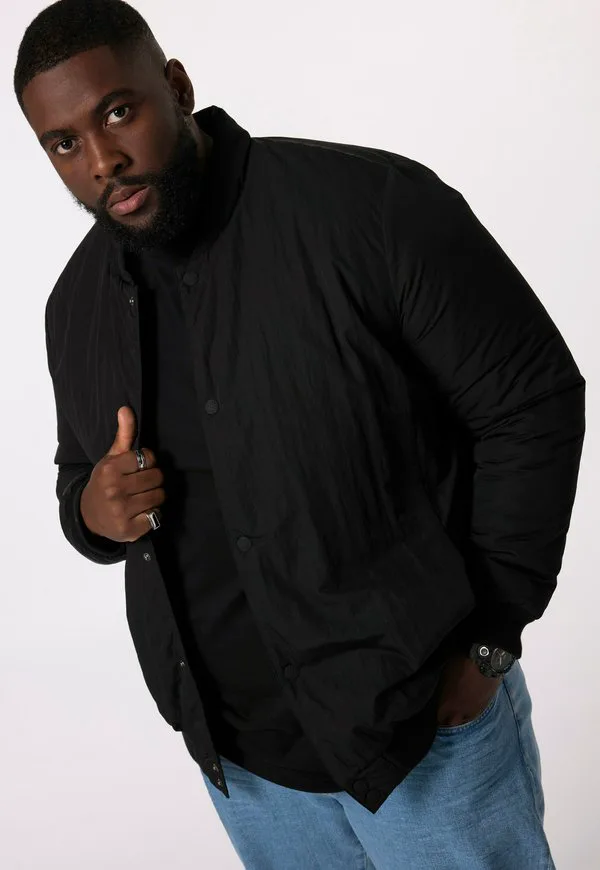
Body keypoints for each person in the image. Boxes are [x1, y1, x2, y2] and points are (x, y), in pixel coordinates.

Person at [15, 1, 585, 867]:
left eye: (118, 112)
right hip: (246, 772)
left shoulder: (367, 209)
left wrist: (493, 637)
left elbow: (529, 402)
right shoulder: (76, 306)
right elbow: (76, 480)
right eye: (63, 144)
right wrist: (93, 511)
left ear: (176, 86)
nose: (101, 161)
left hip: (422, 739)